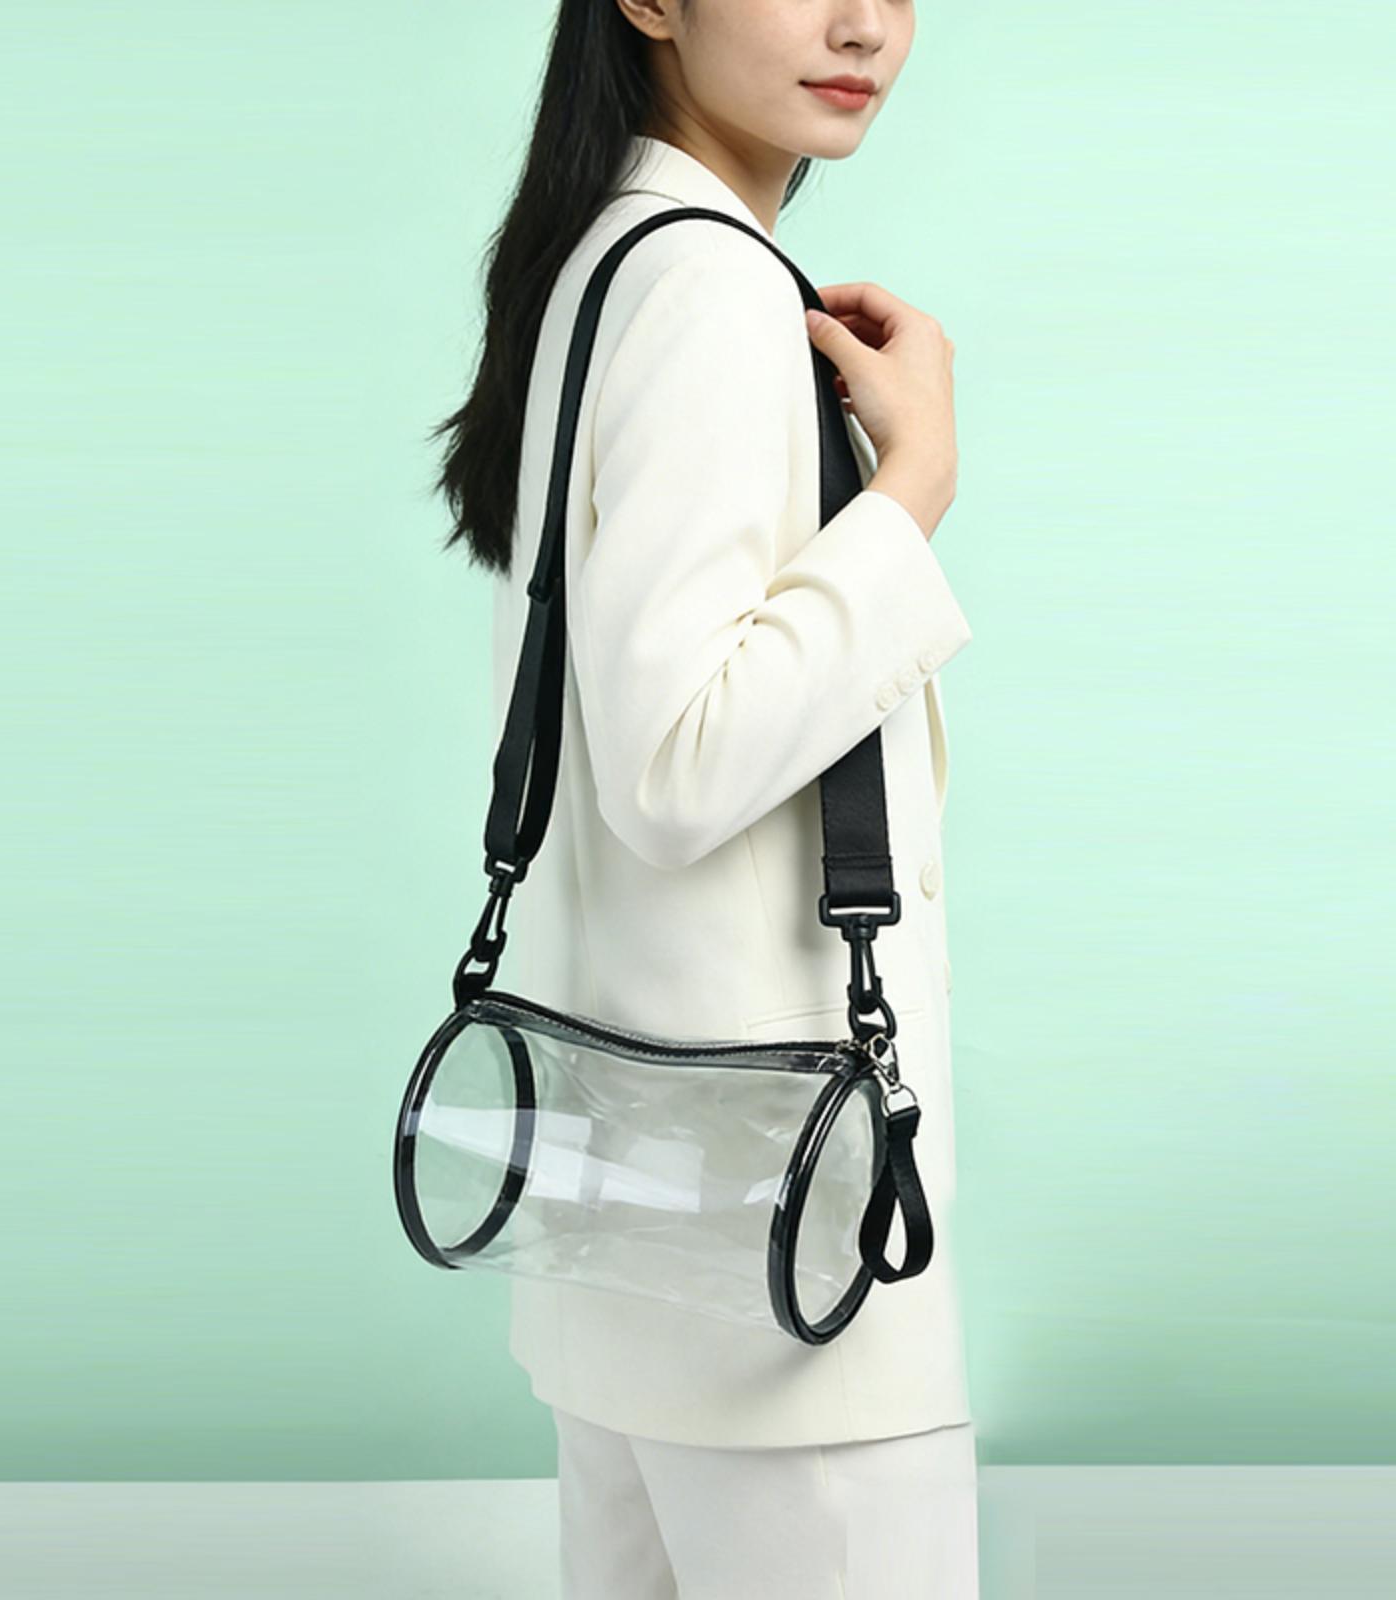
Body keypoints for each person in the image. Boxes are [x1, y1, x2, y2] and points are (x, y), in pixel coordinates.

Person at [432, 1, 978, 1593]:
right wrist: (911, 491)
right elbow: (679, 765)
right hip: (776, 1249)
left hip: (635, 1228)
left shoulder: (608, 258)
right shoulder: (711, 286)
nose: (865, 25)